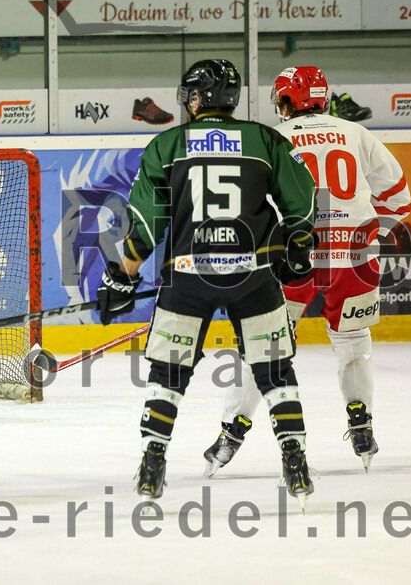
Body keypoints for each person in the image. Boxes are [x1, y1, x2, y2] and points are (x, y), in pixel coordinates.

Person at [96, 59, 319, 507]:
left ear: (198, 98)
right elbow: (302, 200)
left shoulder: (167, 144)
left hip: (188, 276)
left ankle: (152, 462)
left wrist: (123, 274)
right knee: (274, 369)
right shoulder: (265, 140)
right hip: (252, 275)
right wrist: (297, 246)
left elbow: (145, 221)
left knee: (169, 372)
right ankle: (295, 461)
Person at [202, 66, 411, 475]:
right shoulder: (355, 133)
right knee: (353, 342)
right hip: (355, 257)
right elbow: (400, 200)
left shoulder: (272, 139)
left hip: (293, 257)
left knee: (265, 348)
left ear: (285, 102)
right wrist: (360, 228)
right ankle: (362, 425)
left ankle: (231, 435)